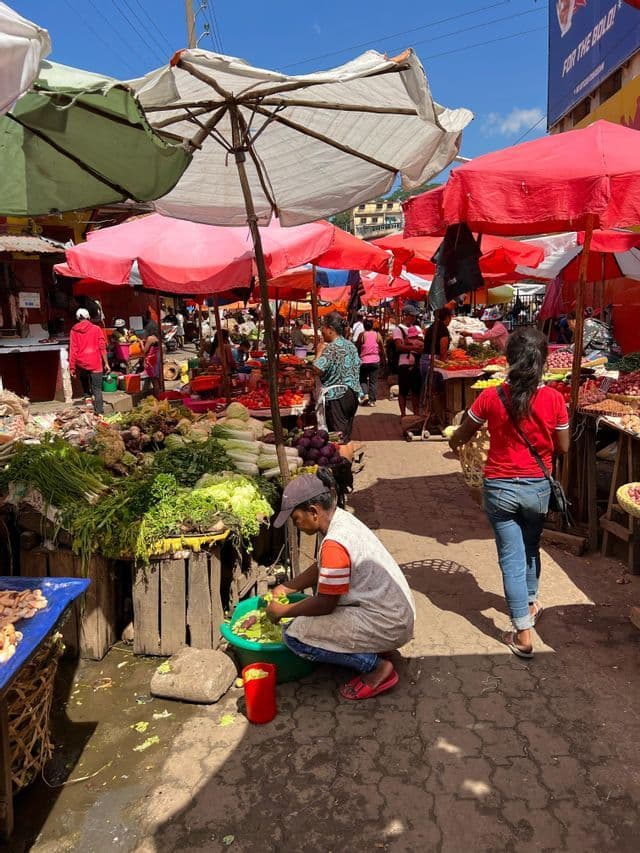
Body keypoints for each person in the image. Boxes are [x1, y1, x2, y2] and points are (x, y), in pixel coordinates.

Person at [448, 327, 570, 659]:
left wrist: (454, 442)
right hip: (537, 488)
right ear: (542, 360)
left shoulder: (491, 396)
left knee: (512, 558)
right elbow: (563, 446)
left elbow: (464, 431)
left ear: (508, 360)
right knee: (531, 547)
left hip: (500, 488)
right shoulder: (555, 399)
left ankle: (523, 633)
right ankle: (529, 604)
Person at [266, 469, 416, 700]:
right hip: (395, 613)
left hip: (390, 622)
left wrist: (282, 611)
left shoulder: (335, 543)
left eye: (296, 519)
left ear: (313, 512)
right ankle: (374, 645)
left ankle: (375, 668)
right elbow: (323, 567)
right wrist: (288, 587)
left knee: (294, 636)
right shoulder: (341, 518)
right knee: (309, 614)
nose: (296, 525)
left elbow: (325, 604)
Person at [314, 312, 361, 444]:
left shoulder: (331, 348)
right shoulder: (351, 345)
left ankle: (343, 462)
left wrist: (319, 351)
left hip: (337, 396)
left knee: (338, 437)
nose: (321, 331)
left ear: (330, 329)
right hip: (352, 394)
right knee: (345, 434)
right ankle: (347, 460)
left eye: (322, 327)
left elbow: (317, 369)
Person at [69, 308, 109, 415]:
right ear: (89, 317)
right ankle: (100, 413)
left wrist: (72, 367)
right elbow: (102, 347)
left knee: (85, 383)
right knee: (97, 389)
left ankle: (88, 402)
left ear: (78, 318)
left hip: (81, 362)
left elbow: (73, 349)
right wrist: (106, 363)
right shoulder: (96, 329)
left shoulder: (74, 330)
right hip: (96, 362)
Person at [392, 305, 423, 417]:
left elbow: (421, 343)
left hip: (416, 364)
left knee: (416, 391)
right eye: (412, 316)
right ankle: (403, 414)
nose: (414, 318)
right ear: (405, 315)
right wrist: (414, 348)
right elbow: (399, 347)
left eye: (414, 316)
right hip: (404, 364)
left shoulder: (417, 329)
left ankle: (416, 414)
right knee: (403, 391)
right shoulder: (398, 330)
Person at [357, 318, 385, 405]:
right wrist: (383, 356)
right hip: (375, 361)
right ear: (372, 326)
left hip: (364, 361)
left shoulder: (362, 335)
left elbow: (357, 346)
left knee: (363, 380)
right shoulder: (377, 335)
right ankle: (372, 401)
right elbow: (382, 347)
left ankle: (365, 394)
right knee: (373, 381)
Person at [142, 320, 162, 396]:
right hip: (157, 359)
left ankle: (157, 396)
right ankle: (160, 394)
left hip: (151, 360)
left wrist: (141, 343)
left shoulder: (150, 338)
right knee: (158, 378)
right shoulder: (157, 337)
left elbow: (144, 350)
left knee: (154, 380)